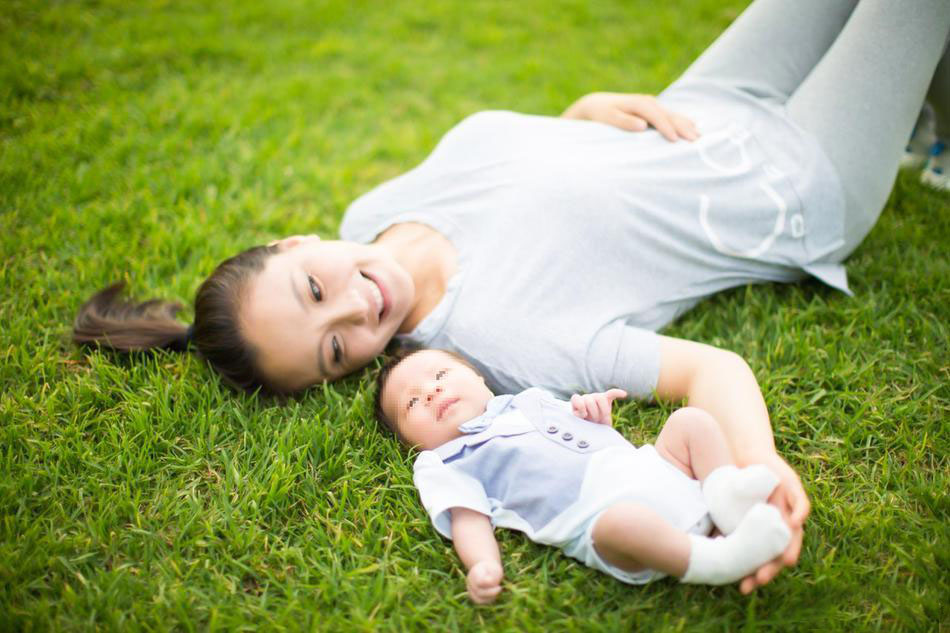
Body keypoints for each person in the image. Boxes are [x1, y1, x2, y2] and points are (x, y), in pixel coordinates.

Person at [73, 0, 950, 593]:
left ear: (297, 241)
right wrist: (758, 473)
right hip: (791, 181)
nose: (355, 309)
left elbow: (522, 191)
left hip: (704, 104)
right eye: (335, 350)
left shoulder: (369, 212)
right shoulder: (508, 343)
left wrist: (574, 117)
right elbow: (709, 370)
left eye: (313, 287)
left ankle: (928, 122)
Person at [375, 348, 791, 604]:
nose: (430, 392)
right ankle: (714, 560)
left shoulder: (530, 400)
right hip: (601, 516)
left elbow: (594, 435)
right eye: (412, 404)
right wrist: (482, 564)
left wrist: (596, 416)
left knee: (691, 422)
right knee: (623, 525)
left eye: (440, 376)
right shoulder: (446, 462)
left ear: (479, 377)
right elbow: (468, 517)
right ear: (413, 442)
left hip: (652, 469)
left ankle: (725, 497)